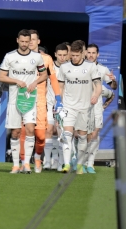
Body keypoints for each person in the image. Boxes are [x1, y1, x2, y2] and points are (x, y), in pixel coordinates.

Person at [0, 29, 48, 174]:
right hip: (14, 100)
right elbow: (1, 76)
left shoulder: (37, 57)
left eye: (27, 41)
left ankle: (26, 163)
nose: (25, 44)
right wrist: (16, 81)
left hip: (30, 99)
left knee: (30, 129)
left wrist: (35, 82)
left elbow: (44, 75)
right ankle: (15, 165)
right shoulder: (10, 56)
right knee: (15, 132)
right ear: (17, 40)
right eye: (22, 41)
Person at [19, 29, 61, 173]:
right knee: (24, 132)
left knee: (41, 136)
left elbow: (53, 79)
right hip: (24, 98)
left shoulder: (47, 59)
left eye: (33, 39)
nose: (30, 42)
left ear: (38, 41)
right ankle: (24, 162)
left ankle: (37, 157)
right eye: (28, 39)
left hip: (41, 100)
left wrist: (58, 96)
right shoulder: (20, 57)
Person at [57, 41, 102, 174]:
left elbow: (98, 85)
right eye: (73, 55)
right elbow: (60, 86)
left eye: (77, 55)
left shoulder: (90, 67)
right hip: (69, 106)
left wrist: (96, 95)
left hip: (84, 107)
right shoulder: (64, 67)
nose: (74, 58)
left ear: (82, 54)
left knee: (82, 136)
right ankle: (66, 164)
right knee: (67, 134)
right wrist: (59, 102)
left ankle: (80, 164)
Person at [82, 43, 117, 173]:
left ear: (98, 54)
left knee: (94, 134)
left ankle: (90, 164)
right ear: (85, 53)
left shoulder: (103, 69)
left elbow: (113, 87)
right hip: (82, 105)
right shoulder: (81, 67)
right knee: (83, 135)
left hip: (96, 106)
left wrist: (113, 80)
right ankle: (82, 162)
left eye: (93, 53)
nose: (91, 55)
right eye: (89, 53)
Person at [44, 43, 69, 171]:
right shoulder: (50, 66)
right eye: (60, 55)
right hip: (49, 103)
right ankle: (48, 161)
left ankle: (59, 162)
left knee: (61, 133)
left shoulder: (70, 68)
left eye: (65, 55)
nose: (62, 57)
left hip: (64, 105)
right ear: (55, 55)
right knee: (49, 130)